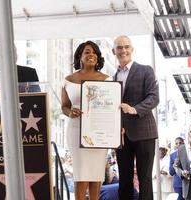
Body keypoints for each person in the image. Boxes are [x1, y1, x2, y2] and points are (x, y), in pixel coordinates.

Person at [112, 35, 159, 200]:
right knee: (124, 179)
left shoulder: (146, 70)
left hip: (144, 133)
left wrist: (134, 109)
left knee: (145, 179)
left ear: (132, 49)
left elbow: (154, 98)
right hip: (122, 136)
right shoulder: (113, 78)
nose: (123, 50)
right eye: (119, 47)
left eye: (126, 46)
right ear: (113, 51)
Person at [61, 41, 109, 200]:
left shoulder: (108, 80)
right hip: (76, 131)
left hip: (99, 131)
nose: (92, 55)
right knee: (80, 176)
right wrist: (70, 112)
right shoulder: (68, 80)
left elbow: (111, 107)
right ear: (80, 57)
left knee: (96, 176)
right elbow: (64, 106)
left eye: (95, 52)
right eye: (88, 52)